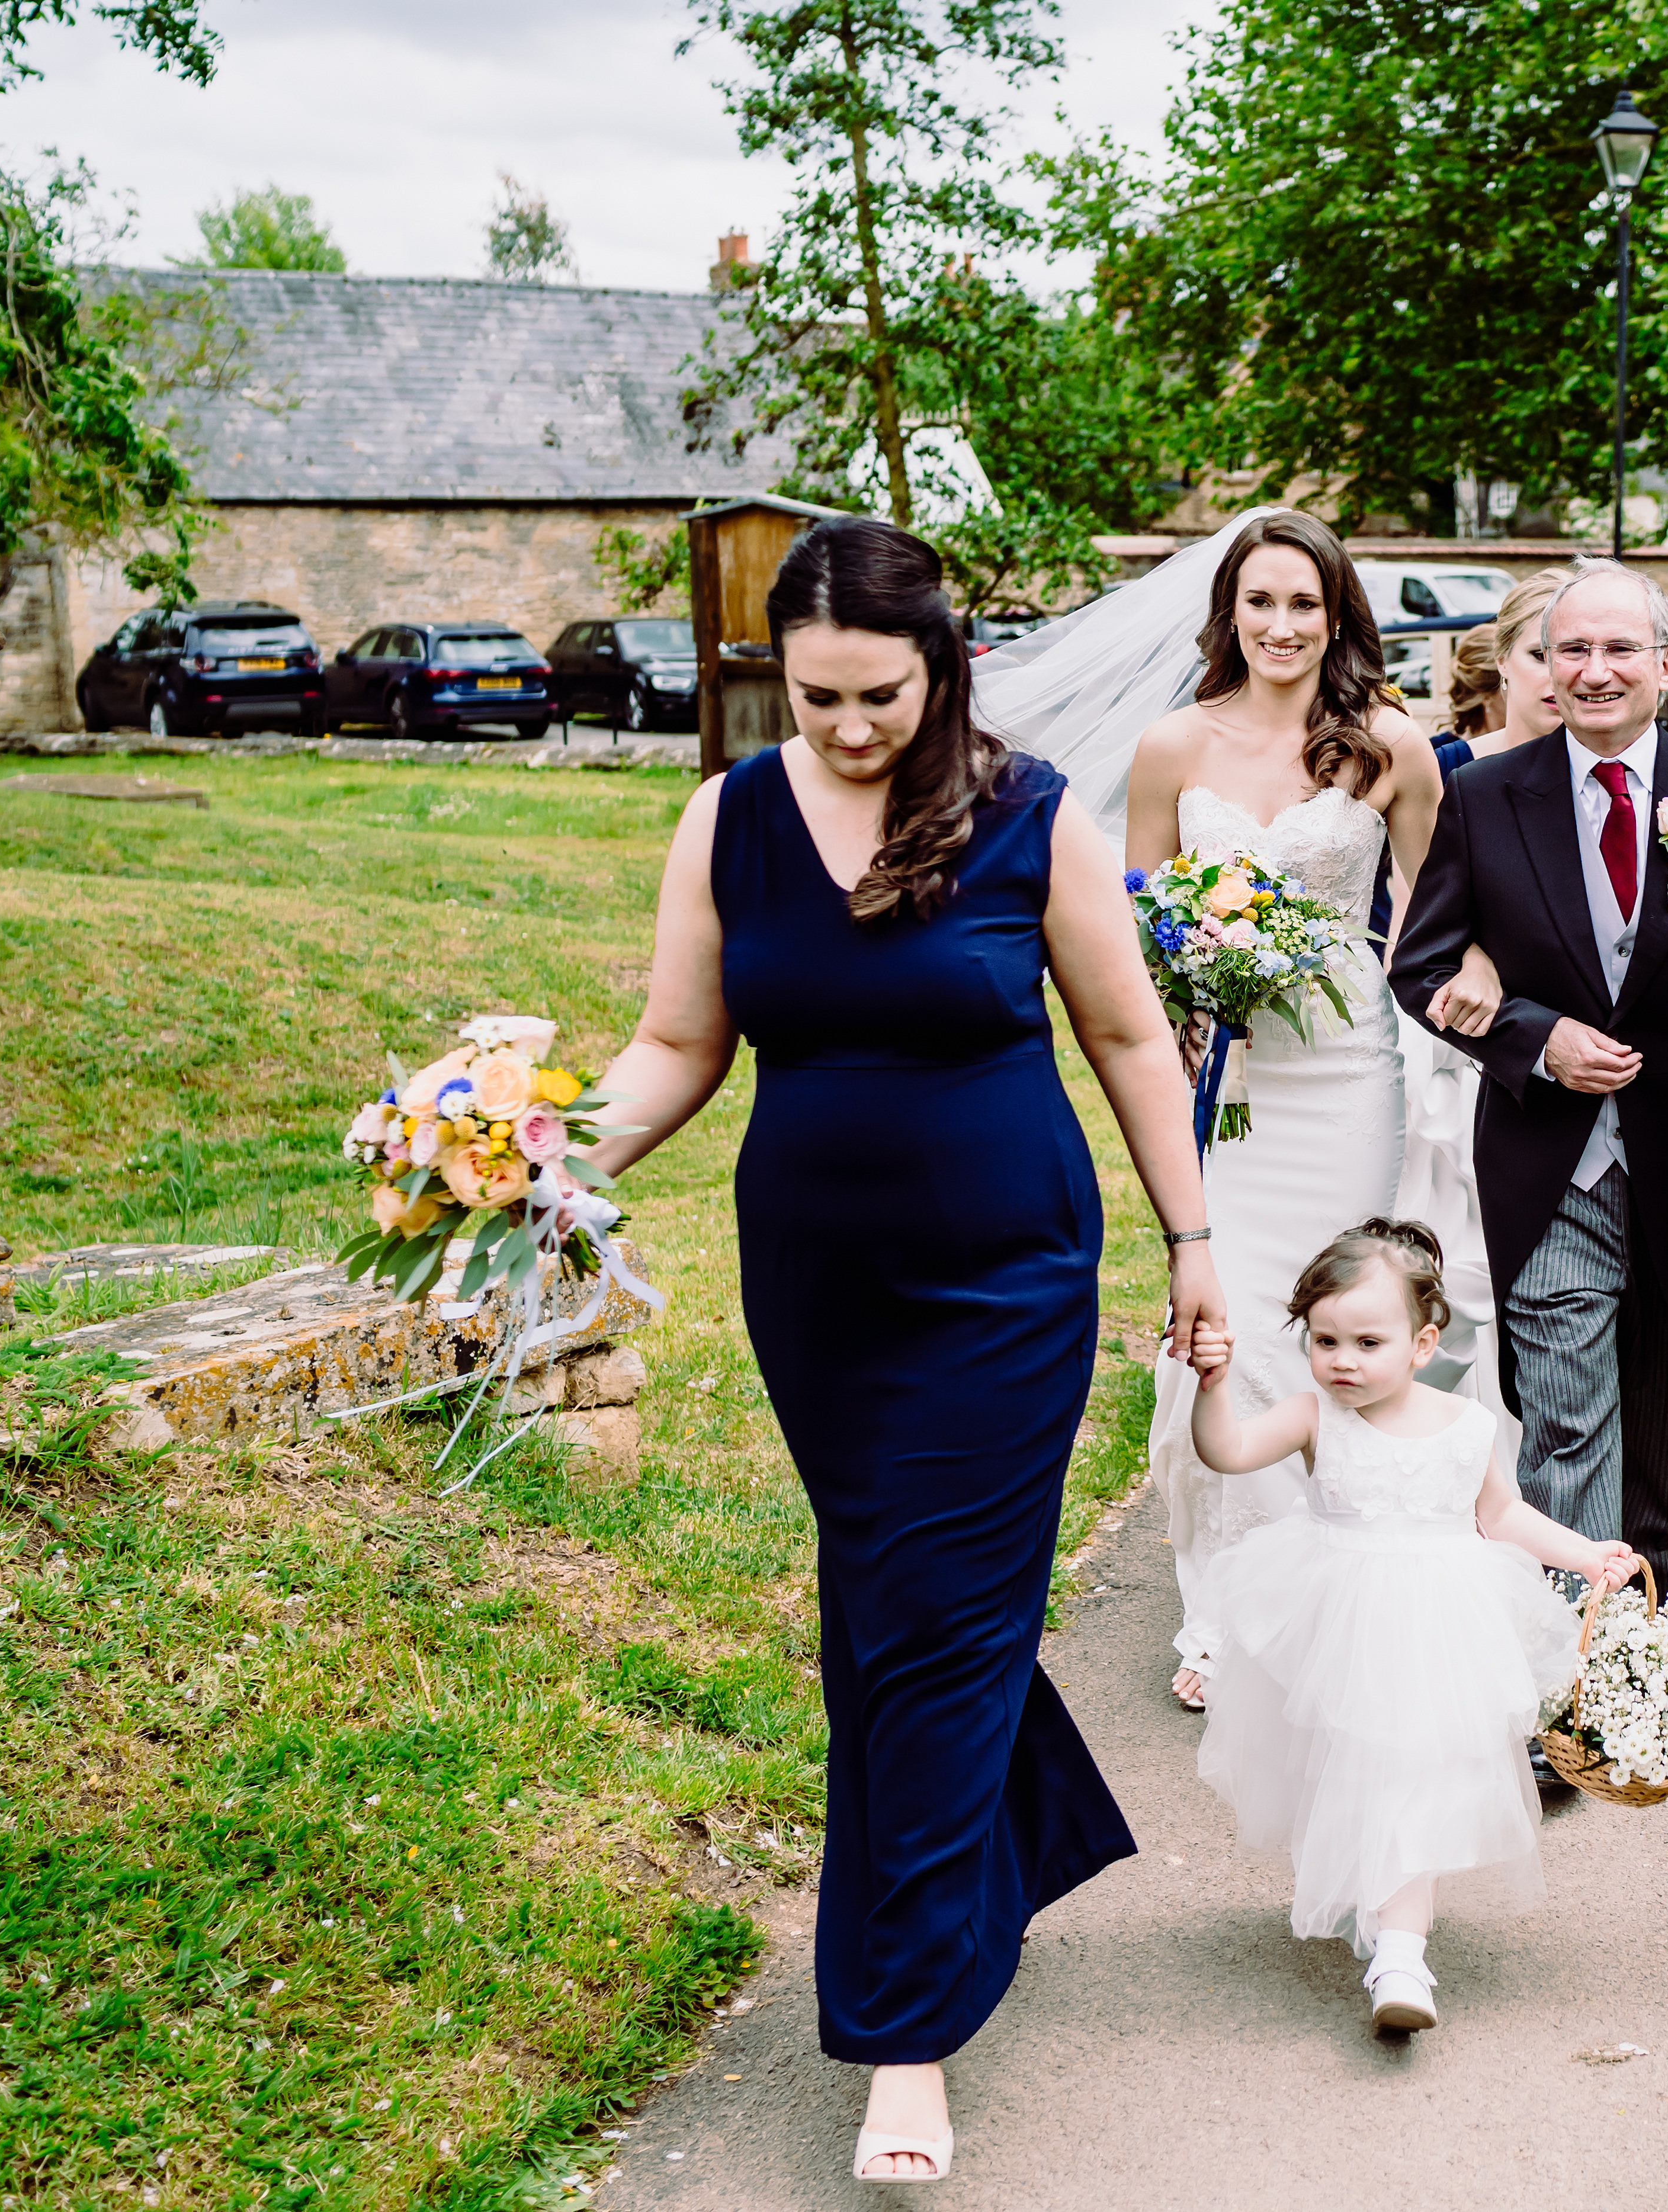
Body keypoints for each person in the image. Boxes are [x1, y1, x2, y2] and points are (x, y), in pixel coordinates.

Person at [586, 517, 1225, 2185]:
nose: (850, 728)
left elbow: (1126, 1034)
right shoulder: (725, 817)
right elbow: (676, 1041)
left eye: (877, 695)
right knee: (896, 1617)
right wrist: (541, 1164)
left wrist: (1197, 1241)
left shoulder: (1031, 813)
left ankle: (906, 2035)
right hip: (817, 1291)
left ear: (941, 665)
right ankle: (1033, 1831)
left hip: (1005, 1282)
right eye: (816, 701)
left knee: (931, 1633)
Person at [1387, 557, 1668, 1600]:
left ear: (1665, 663)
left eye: (1618, 648)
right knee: (1564, 1418)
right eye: (1571, 649)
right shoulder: (1484, 798)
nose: (1593, 671)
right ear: (1543, 661)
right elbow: (1420, 965)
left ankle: (1646, 1626)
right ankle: (1568, 1672)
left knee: (1659, 1423)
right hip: (1549, 1167)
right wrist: (1536, 1040)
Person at [1122, 511, 1446, 1713]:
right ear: (1228, 613)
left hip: (1346, 1066)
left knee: (1342, 1312)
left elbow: (1437, 896)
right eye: (1259, 602)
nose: (1280, 625)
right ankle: (1223, 1607)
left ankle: (1337, 1583)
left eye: (1303, 604)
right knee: (1233, 1328)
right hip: (1234, 1082)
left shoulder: (1387, 748)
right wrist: (1192, 998)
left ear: (1336, 614)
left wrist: (1402, 986)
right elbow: (1138, 929)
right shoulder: (1170, 748)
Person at [1186, 1219, 1639, 2033]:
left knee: (1411, 1775)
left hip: (1437, 1627)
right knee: (1354, 1771)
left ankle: (1401, 1954)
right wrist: (1212, 1387)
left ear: (1423, 1343)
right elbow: (1227, 1452)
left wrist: (1584, 1553)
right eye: (1325, 1341)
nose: (1344, 1361)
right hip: (1338, 1621)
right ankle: (1380, 1909)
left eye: (1367, 1341)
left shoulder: (1464, 1428)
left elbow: (1500, 1514)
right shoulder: (1312, 1416)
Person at [1400, 568, 1572, 1398]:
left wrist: (1499, 960)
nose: (1559, 673)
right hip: (1450, 1048)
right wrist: (1471, 955)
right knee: (1448, 1252)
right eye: (1540, 653)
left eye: (1572, 651)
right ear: (1501, 662)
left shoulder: (1617, 779)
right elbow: (1410, 911)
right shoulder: (1447, 771)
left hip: (1564, 1048)